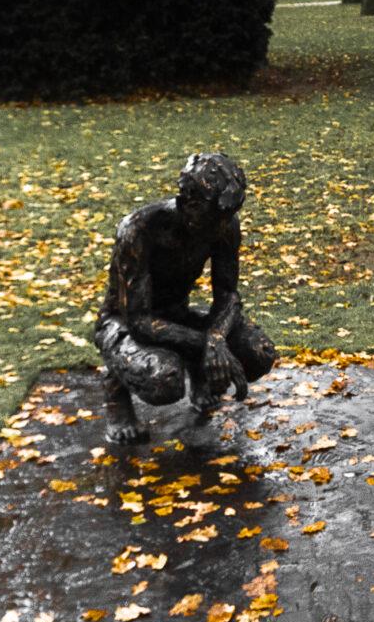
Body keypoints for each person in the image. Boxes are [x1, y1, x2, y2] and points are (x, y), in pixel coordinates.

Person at [94, 152, 275, 447]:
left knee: (259, 353)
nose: (222, 227)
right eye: (214, 218)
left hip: (177, 316)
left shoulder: (224, 224)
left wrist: (215, 338)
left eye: (226, 217)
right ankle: (116, 389)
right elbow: (138, 321)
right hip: (123, 324)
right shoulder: (139, 230)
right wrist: (204, 343)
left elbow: (228, 295)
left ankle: (199, 372)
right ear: (188, 204)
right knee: (164, 380)